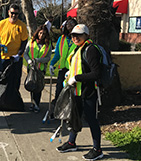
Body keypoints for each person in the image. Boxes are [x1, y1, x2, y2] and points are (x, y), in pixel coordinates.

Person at [56, 24, 103, 161]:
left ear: (86, 35)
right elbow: (77, 67)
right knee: (74, 117)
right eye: (73, 35)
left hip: (88, 92)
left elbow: (96, 73)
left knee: (92, 120)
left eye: (79, 35)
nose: (75, 37)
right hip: (76, 91)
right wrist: (69, 74)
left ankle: (97, 149)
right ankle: (71, 142)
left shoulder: (91, 50)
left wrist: (76, 78)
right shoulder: (78, 48)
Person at [0, 3, 29, 91]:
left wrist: (19, 54)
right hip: (3, 57)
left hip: (16, 58)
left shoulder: (22, 26)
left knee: (15, 80)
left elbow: (24, 41)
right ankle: (3, 100)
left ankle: (13, 99)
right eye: (12, 13)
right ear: (9, 12)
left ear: (19, 14)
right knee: (3, 79)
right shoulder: (2, 23)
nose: (14, 15)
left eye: (16, 13)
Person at [49, 17, 77, 107]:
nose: (70, 25)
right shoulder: (61, 39)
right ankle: (57, 109)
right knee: (59, 90)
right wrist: (52, 64)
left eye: (72, 23)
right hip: (62, 69)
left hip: (73, 70)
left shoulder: (77, 39)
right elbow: (57, 54)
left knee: (70, 92)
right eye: (68, 24)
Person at [24, 25, 52, 113]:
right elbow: (25, 53)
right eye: (40, 33)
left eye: (44, 33)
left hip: (40, 69)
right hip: (31, 68)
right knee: (31, 86)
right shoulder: (31, 42)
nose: (41, 35)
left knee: (38, 87)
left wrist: (39, 60)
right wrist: (28, 61)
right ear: (37, 33)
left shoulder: (48, 45)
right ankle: (32, 103)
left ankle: (37, 104)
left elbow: (48, 57)